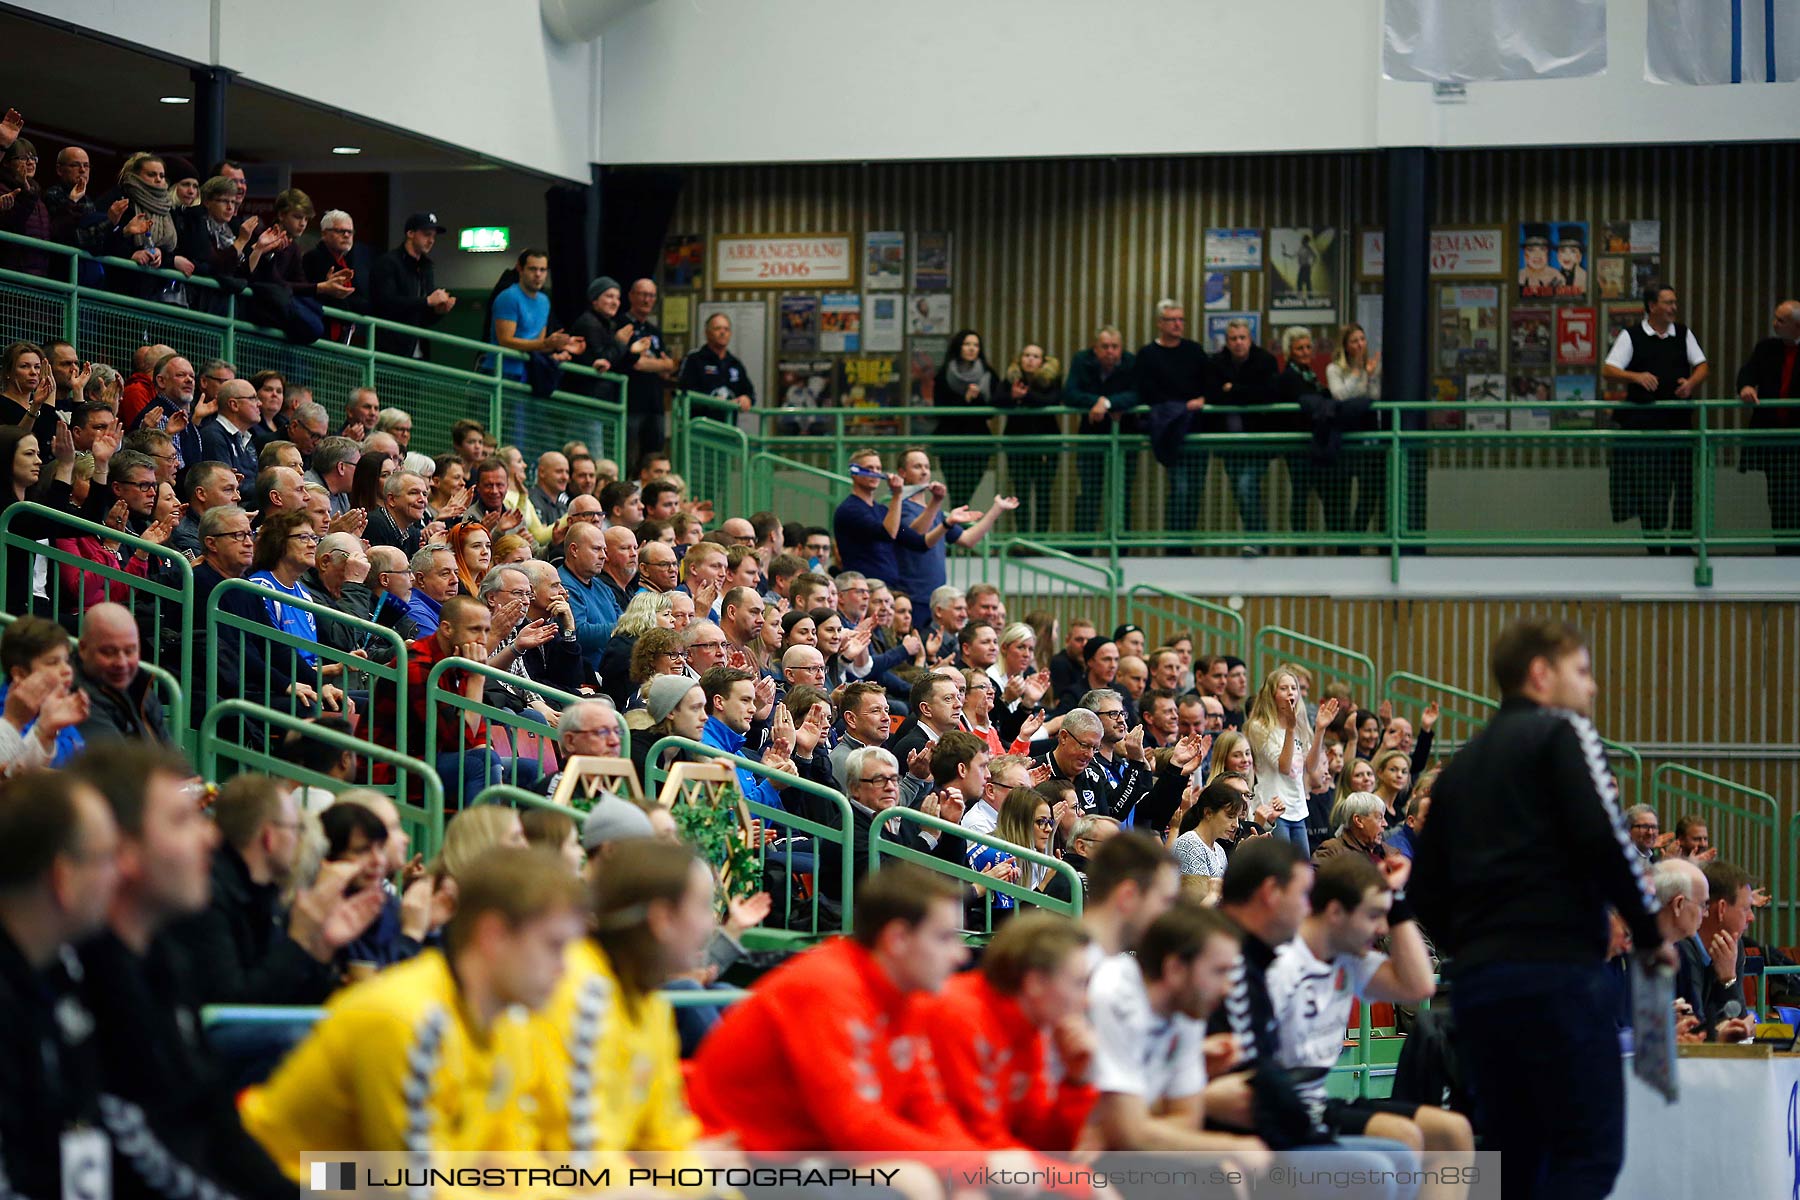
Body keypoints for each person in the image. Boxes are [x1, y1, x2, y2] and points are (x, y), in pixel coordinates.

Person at [1412, 617, 1682, 1198]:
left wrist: (1481, 947)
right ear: (1540, 674)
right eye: (1582, 672)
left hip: (1479, 990)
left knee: (1513, 1163)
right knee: (1588, 1156)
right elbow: (1608, 839)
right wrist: (1651, 933)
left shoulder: (1457, 769)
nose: (1592, 688)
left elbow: (1425, 893)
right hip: (1557, 976)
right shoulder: (1564, 734)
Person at [240, 848, 586, 1173]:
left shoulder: (510, 1025)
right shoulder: (403, 1017)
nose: (565, 969)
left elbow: (508, 1165)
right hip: (285, 1176)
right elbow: (414, 1186)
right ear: (493, 936)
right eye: (554, 946)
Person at [71, 744, 297, 1199]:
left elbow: (216, 1126)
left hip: (271, 1167)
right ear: (122, 847)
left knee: (407, 1180)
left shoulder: (160, 963)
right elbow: (150, 1159)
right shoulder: (71, 987)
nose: (210, 837)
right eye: (182, 820)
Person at [686, 864, 997, 1156]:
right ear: (898, 939)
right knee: (916, 1182)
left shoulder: (909, 996)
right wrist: (977, 1165)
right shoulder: (825, 988)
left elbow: (926, 1104)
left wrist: (975, 1163)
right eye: (945, 938)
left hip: (801, 1152)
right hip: (732, 1155)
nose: (959, 955)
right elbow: (855, 1129)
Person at [1266, 854, 1473, 1180]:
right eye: (1374, 915)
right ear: (1335, 912)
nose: (1381, 928)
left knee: (1453, 1131)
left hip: (1321, 1104)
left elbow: (1419, 985)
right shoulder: (1281, 966)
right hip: (1282, 1110)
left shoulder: (1349, 958)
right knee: (1402, 1142)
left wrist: (1398, 901)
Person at [534, 840, 712, 1155]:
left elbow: (663, 1136)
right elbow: (579, 1166)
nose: (710, 924)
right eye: (702, 907)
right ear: (662, 920)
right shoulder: (580, 993)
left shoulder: (651, 1006)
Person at [0, 769, 120, 1200]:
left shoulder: (67, 971)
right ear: (62, 877)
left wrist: (327, 1183)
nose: (119, 875)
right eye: (107, 857)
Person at [165, 773, 381, 1005]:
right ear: (269, 837)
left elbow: (299, 1001)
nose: (299, 840)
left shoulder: (267, 893)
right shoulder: (207, 894)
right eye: (295, 829)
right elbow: (234, 1005)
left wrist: (322, 946)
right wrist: (299, 939)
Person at [1086, 900, 1264, 1155]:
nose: (1228, 988)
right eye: (1219, 972)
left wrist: (1134, 1124)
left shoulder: (1189, 1008)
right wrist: (1232, 1148)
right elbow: (1129, 1136)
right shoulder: (1113, 995)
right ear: (1175, 969)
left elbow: (1185, 1119)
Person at [921, 912, 1098, 1151]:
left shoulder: (1031, 1027)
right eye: (1079, 984)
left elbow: (1042, 1142)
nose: (1086, 1001)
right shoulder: (958, 1013)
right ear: (1035, 983)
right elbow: (981, 1142)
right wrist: (1075, 1182)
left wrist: (1076, 1082)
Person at [1601, 282, 1709, 551]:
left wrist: (1691, 383)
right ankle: (1655, 546)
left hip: (1679, 424)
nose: (1674, 308)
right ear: (1652, 306)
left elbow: (1703, 365)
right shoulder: (1631, 335)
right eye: (1668, 302)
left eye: (1675, 302)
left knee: (1684, 486)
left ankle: (1683, 544)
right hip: (1645, 427)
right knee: (1651, 489)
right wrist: (1635, 376)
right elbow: (1609, 370)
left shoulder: (1682, 333)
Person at [1136, 298, 1215, 533]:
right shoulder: (1148, 354)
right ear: (1160, 323)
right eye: (1172, 320)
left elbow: (1209, 382)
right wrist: (1174, 407)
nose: (1178, 324)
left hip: (1195, 428)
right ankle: (1175, 542)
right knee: (1180, 488)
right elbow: (1145, 390)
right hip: (1169, 429)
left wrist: (1203, 399)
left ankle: (1187, 541)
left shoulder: (1194, 350)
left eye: (1181, 319)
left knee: (1195, 488)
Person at [1211, 317, 1283, 550]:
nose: (1238, 343)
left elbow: (1269, 394)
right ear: (1227, 341)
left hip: (1257, 441)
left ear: (1250, 339)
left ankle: (1257, 540)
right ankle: (1257, 537)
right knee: (1241, 492)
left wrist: (1234, 390)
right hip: (1230, 443)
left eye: (1242, 338)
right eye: (1233, 339)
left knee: (1245, 485)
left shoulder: (1265, 361)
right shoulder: (1217, 362)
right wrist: (1244, 393)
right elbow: (1213, 394)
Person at [1735, 298, 1800, 553]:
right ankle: (1783, 550)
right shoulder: (1767, 348)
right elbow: (1747, 372)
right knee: (1779, 498)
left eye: (1781, 321)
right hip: (1774, 438)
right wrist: (1746, 387)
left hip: (1797, 436)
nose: (1774, 324)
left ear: (1796, 326)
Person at [1247, 668, 1335, 851]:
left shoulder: (1300, 727)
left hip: (1297, 808)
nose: (1290, 692)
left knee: (1303, 866)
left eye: (1293, 688)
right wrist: (1290, 729)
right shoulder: (1259, 727)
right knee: (1283, 867)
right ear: (1272, 694)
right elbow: (1284, 767)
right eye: (1284, 688)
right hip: (1274, 807)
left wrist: (1320, 730)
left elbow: (1311, 767)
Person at [72, 602, 172, 744]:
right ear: (83, 649)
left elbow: (172, 758)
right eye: (109, 652)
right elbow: (117, 763)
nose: (121, 662)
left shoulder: (141, 690)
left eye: (130, 651)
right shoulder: (76, 697)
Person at [996, 344, 1063, 534]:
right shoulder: (1011, 380)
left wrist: (1024, 396)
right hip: (1018, 445)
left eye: (1035, 356)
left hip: (1046, 446)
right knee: (1021, 494)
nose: (1030, 359)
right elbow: (996, 400)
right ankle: (1023, 537)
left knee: (1043, 494)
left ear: (1043, 362)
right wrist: (1012, 396)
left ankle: (1041, 539)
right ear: (1020, 359)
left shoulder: (1050, 380)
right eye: (1026, 355)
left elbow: (1051, 401)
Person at [369, 212, 456, 358]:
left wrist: (438, 311)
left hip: (418, 349)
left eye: (433, 236)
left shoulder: (426, 267)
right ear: (410, 233)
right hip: (390, 349)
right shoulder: (388, 263)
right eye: (427, 235)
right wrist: (427, 301)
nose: (431, 240)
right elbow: (386, 302)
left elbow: (423, 316)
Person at [486, 248, 580, 381]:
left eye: (543, 270)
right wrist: (546, 344)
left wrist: (560, 344)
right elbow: (505, 341)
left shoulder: (544, 301)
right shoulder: (508, 297)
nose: (538, 274)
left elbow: (538, 344)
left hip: (530, 370)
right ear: (520, 269)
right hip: (502, 370)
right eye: (532, 269)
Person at [933, 329, 998, 500]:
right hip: (950, 442)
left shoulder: (988, 374)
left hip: (978, 443)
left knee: (967, 491)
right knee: (955, 492)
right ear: (958, 347)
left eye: (976, 345)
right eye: (967, 344)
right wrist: (965, 399)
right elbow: (940, 408)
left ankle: (960, 523)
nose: (971, 349)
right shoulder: (944, 374)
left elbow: (992, 410)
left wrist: (977, 399)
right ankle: (957, 524)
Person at [620, 278, 677, 464]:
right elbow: (637, 364)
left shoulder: (654, 331)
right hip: (631, 403)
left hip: (655, 404)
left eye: (651, 296)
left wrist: (661, 365)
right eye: (643, 294)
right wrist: (662, 364)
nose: (647, 300)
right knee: (628, 457)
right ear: (631, 296)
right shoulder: (623, 324)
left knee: (653, 457)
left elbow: (670, 367)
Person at [678, 312, 757, 411]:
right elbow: (684, 393)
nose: (722, 332)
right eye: (717, 328)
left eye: (726, 329)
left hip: (727, 424)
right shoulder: (694, 359)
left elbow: (750, 393)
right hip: (700, 423)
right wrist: (711, 401)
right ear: (707, 333)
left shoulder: (735, 364)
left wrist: (747, 399)